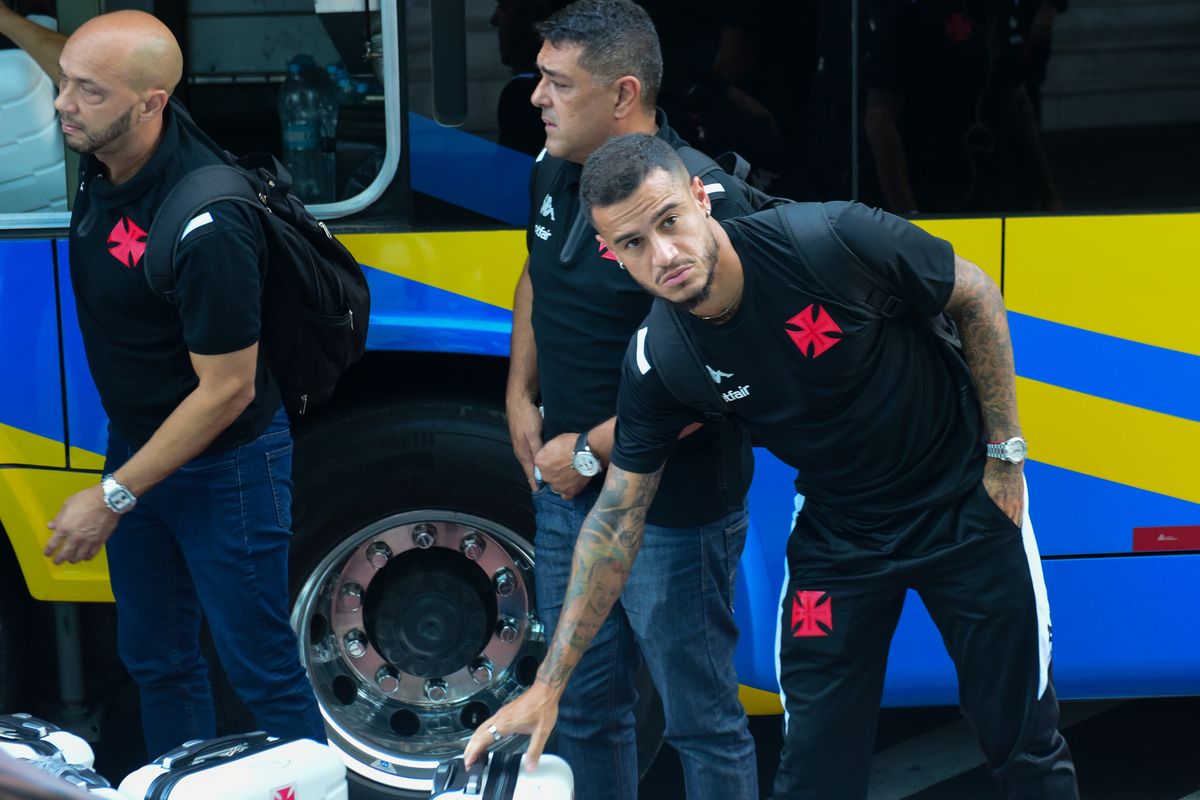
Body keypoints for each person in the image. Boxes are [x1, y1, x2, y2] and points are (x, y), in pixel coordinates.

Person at [470, 133, 1081, 800]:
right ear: (610, 253)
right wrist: (549, 685)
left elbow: (975, 294)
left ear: (701, 198)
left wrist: (1005, 455)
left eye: (669, 221)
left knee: (1022, 745)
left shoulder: (828, 239)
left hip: (965, 508)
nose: (664, 255)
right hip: (841, 540)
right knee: (814, 770)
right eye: (634, 243)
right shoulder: (661, 362)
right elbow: (616, 520)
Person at [1, 8, 326, 759]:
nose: (61, 104)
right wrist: (7, 19)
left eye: (86, 92)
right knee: (156, 659)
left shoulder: (208, 220)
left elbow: (227, 390)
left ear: (151, 103)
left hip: (227, 467)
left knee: (260, 668)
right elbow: (75, 62)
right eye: (65, 83)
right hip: (140, 447)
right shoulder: (112, 133)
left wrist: (113, 495)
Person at [503, 1, 758, 797]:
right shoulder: (553, 166)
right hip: (567, 493)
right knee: (582, 710)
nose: (536, 98)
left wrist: (586, 452)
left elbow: (721, 372)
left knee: (699, 723)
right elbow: (537, 272)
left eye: (557, 83)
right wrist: (518, 390)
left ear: (622, 95)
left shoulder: (699, 199)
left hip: (673, 508)